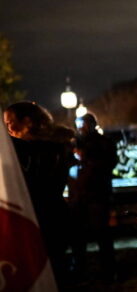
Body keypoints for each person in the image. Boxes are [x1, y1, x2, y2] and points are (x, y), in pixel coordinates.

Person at [4, 101, 75, 285]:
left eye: (9, 122)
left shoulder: (28, 149)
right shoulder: (57, 146)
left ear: (26, 121)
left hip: (40, 218)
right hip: (57, 215)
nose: (7, 128)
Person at [69, 112, 118, 281]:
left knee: (102, 235)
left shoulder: (104, 143)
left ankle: (108, 270)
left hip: (97, 195)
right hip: (79, 196)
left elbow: (109, 164)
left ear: (90, 125)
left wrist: (87, 158)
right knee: (78, 237)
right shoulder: (75, 141)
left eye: (82, 124)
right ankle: (80, 268)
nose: (80, 128)